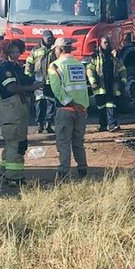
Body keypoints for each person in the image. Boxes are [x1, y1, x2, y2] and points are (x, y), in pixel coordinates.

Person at [0, 39, 39, 187]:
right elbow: (12, 88)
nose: (16, 54)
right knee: (17, 144)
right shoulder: (6, 69)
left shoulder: (16, 68)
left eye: (17, 51)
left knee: (10, 144)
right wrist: (32, 88)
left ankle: (5, 172)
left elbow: (26, 80)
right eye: (12, 51)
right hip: (11, 114)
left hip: (18, 112)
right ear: (5, 52)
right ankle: (15, 177)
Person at [48, 38, 90, 178]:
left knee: (64, 142)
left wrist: (70, 103)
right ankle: (82, 169)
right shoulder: (78, 64)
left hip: (66, 110)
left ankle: (64, 172)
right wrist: (80, 106)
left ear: (59, 49)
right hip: (82, 110)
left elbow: (57, 91)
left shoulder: (55, 66)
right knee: (78, 142)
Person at [86, 36, 126, 132]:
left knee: (111, 105)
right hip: (100, 86)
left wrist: (123, 81)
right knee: (101, 106)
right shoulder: (94, 56)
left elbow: (122, 69)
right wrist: (93, 81)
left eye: (108, 42)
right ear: (100, 43)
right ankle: (103, 125)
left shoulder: (114, 56)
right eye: (105, 42)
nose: (106, 44)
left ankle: (111, 124)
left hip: (112, 85)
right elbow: (89, 69)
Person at [24, 30, 57, 134]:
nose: (49, 39)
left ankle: (49, 124)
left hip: (51, 81)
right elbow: (29, 63)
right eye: (48, 37)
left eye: (51, 37)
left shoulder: (56, 49)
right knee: (39, 103)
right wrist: (28, 77)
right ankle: (40, 124)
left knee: (50, 103)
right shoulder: (36, 49)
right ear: (43, 37)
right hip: (39, 81)